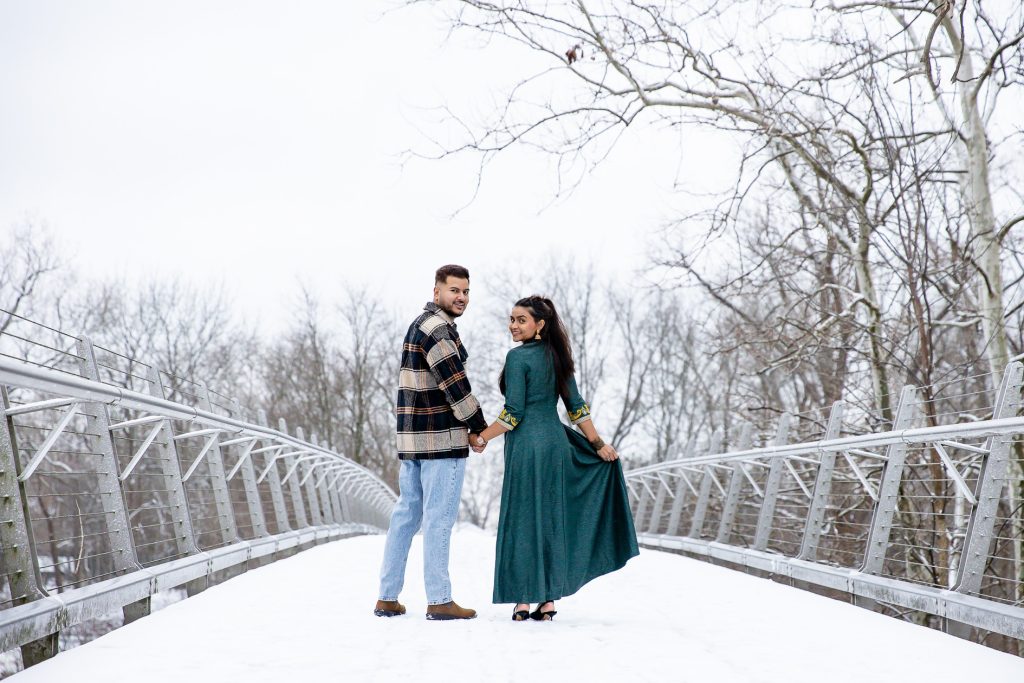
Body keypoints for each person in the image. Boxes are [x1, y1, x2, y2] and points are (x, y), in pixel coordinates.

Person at [472, 295, 639, 621]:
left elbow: (514, 414)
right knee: (551, 518)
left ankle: (522, 599)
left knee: (524, 518)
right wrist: (598, 444)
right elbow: (576, 406)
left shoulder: (517, 358)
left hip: (527, 449)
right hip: (557, 446)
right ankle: (547, 600)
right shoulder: (558, 357)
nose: (513, 326)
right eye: (512, 319)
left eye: (521, 320)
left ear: (540, 324)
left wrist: (482, 437)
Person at [374, 265, 489, 620]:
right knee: (438, 519)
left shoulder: (417, 325)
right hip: (440, 440)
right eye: (454, 290)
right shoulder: (438, 330)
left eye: (466, 292)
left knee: (406, 516)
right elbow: (455, 385)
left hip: (412, 441)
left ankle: (387, 597)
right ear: (436, 291)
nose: (461, 298)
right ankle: (439, 600)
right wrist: (478, 427)